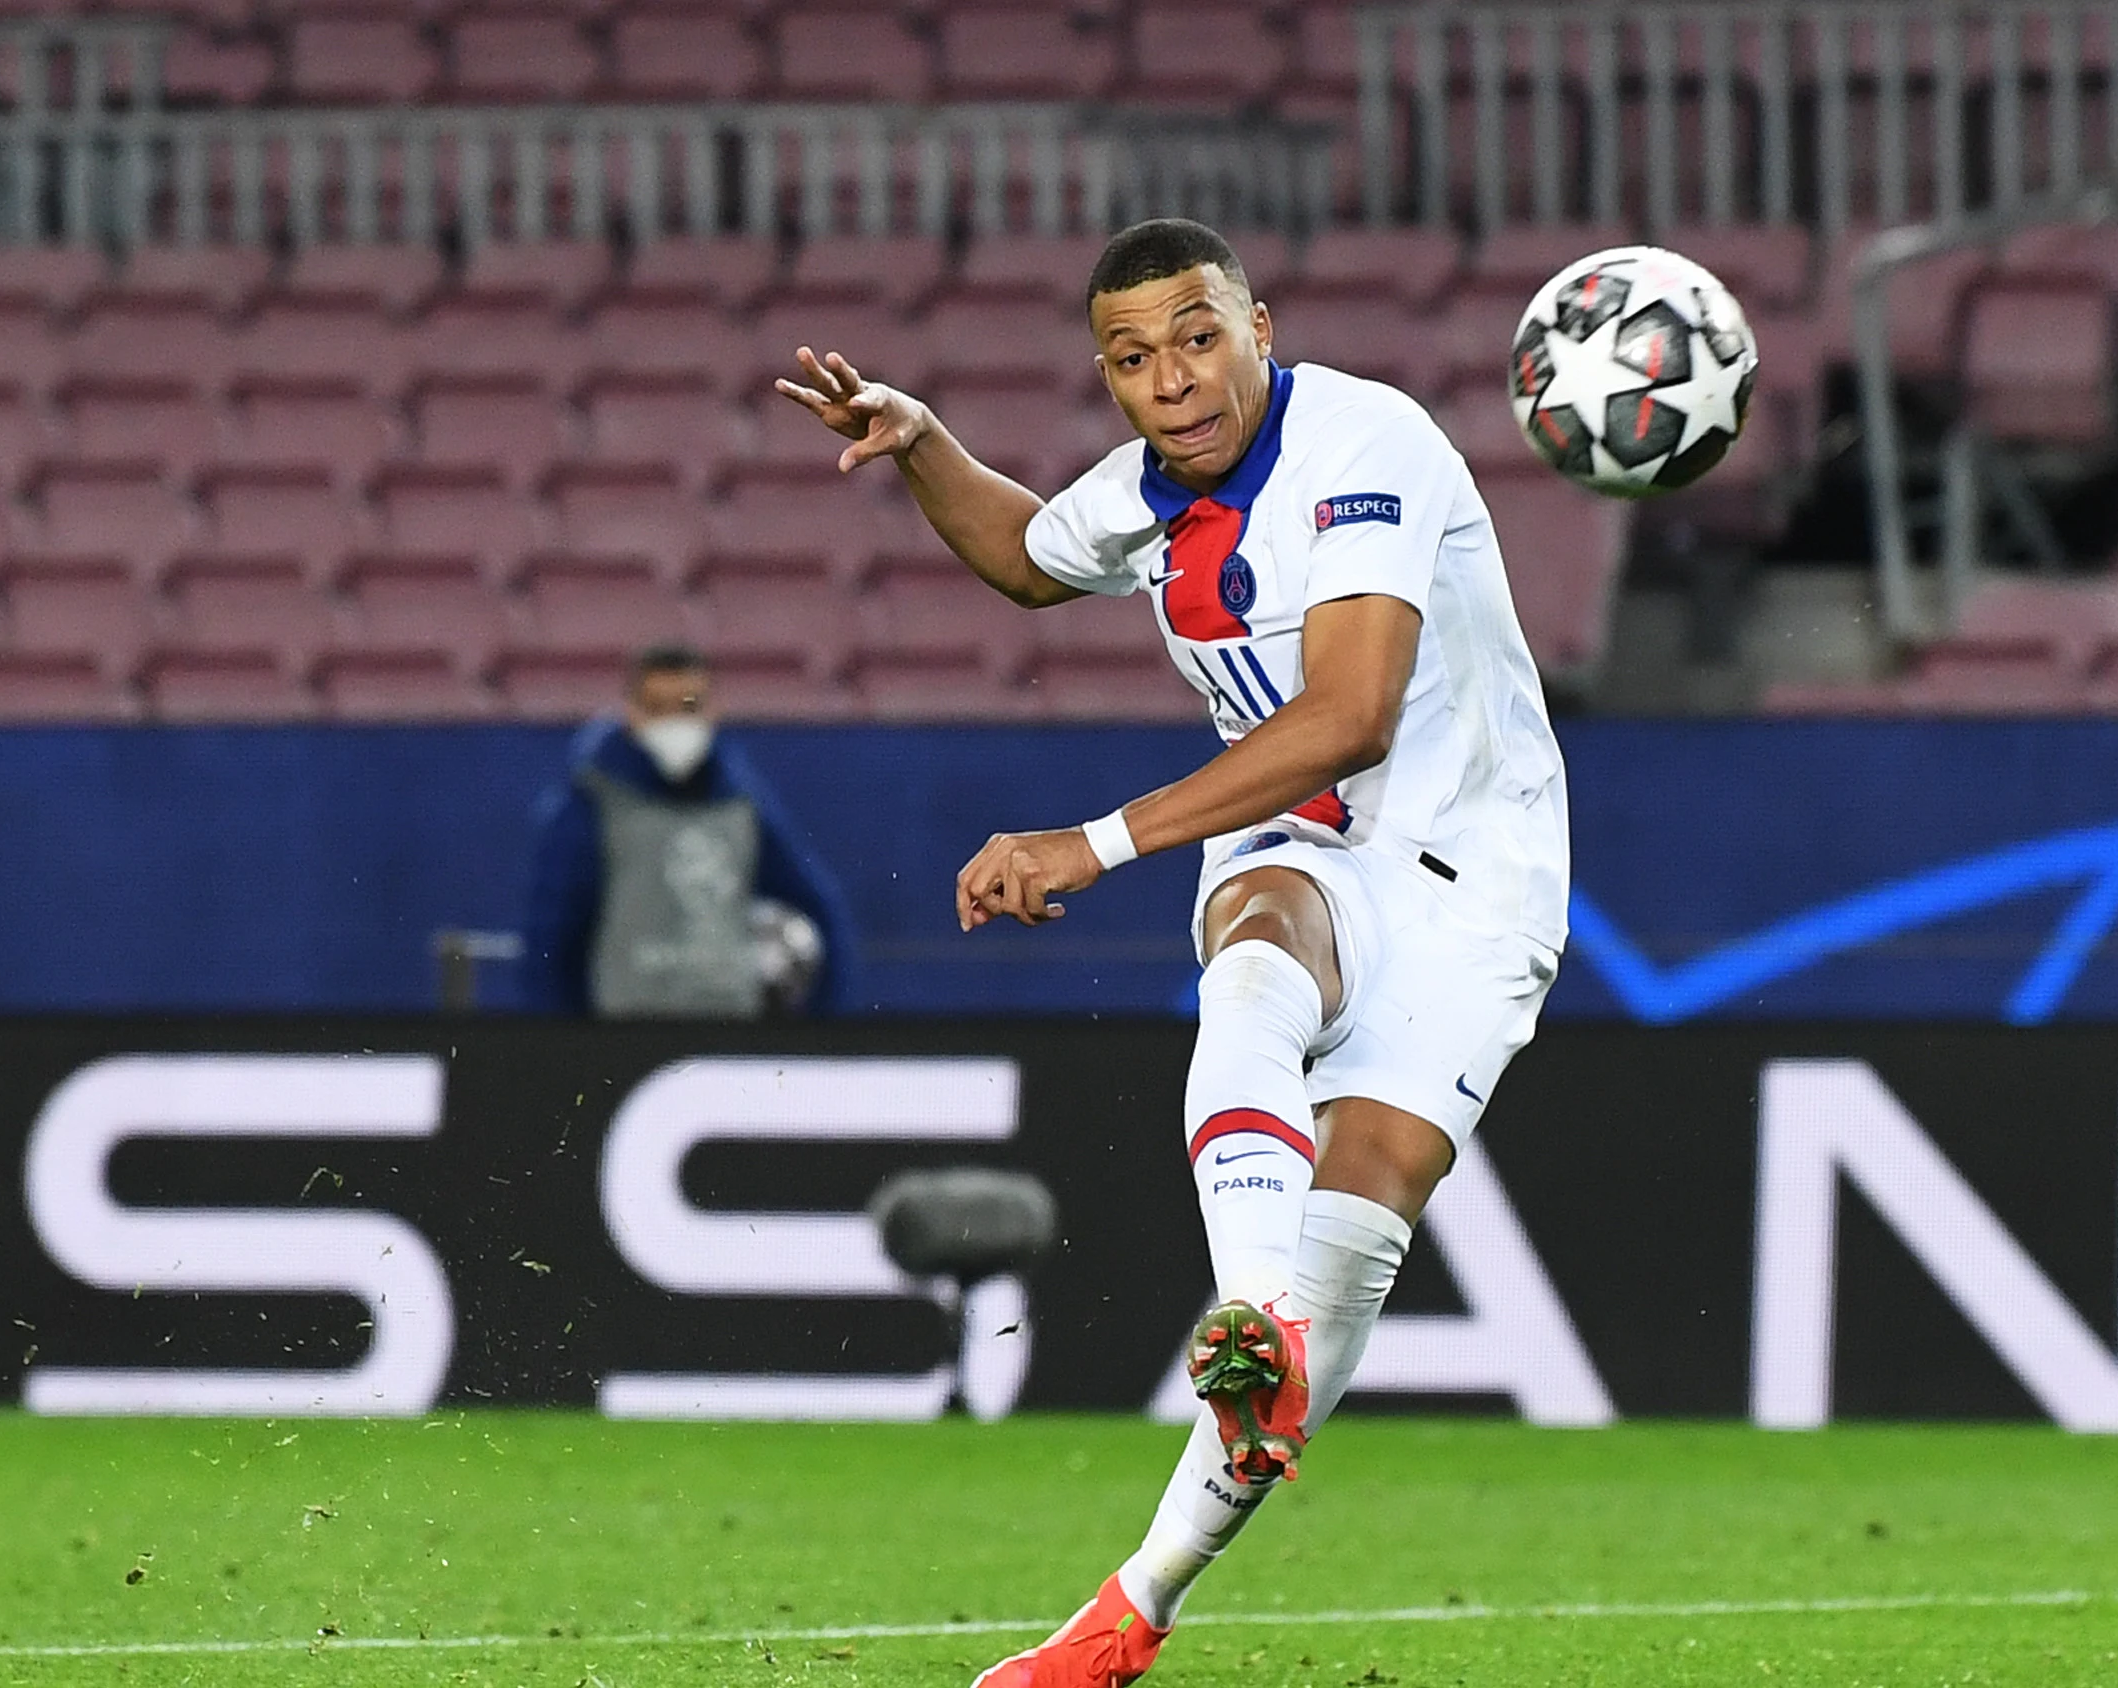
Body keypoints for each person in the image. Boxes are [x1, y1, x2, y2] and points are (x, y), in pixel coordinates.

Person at [777, 217, 1568, 1687]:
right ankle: (1253, 1313)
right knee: (1257, 945)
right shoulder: (1149, 490)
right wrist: (924, 439)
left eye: (1199, 336)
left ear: (1261, 324)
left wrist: (1089, 843)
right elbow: (1023, 555)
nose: (1175, 379)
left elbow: (1350, 715)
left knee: (1367, 1208)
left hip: (1477, 873)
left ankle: (1131, 1608)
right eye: (1134, 358)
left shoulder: (1365, 445)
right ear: (1111, 378)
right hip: (1302, 847)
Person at [519, 642, 859, 1019]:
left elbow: (819, 905)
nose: (673, 721)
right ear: (631, 711)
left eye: (689, 705)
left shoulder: (741, 805)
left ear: (714, 710)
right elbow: (550, 939)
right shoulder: (594, 803)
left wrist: (826, 1019)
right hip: (627, 1030)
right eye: (657, 707)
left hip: (727, 1030)